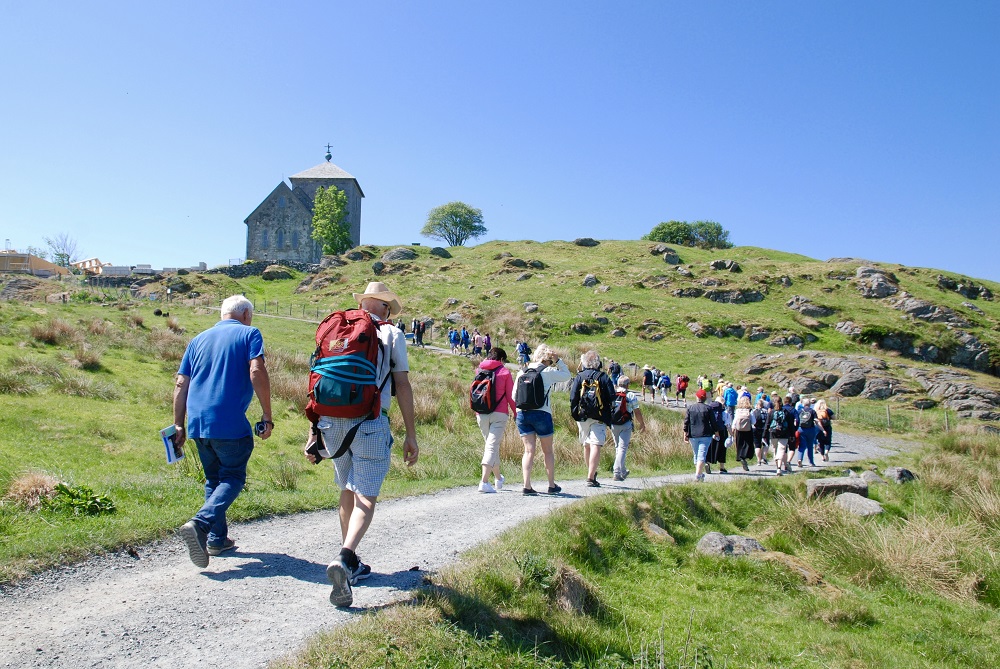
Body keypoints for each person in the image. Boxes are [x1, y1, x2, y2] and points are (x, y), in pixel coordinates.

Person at [304, 281, 419, 607]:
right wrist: (411, 435)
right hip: (369, 421)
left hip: (330, 421)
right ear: (384, 308)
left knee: (346, 487)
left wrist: (313, 431)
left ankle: (350, 560)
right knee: (366, 494)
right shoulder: (391, 334)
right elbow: (402, 385)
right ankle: (345, 556)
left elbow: (316, 378)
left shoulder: (336, 329)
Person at [173, 295, 273, 567]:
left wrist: (179, 423)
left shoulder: (198, 340)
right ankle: (201, 524)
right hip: (229, 422)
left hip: (198, 424)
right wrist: (267, 414)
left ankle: (217, 539)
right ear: (245, 315)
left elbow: (181, 384)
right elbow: (257, 370)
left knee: (213, 479)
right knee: (233, 476)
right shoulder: (250, 333)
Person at [515, 344, 570, 495]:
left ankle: (527, 485)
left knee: (528, 451)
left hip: (523, 414)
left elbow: (515, 395)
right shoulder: (548, 371)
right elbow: (567, 375)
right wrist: (557, 360)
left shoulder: (521, 372)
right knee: (547, 451)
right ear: (547, 359)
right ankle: (551, 485)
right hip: (542, 413)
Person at [569, 350, 616, 488]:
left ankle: (591, 472)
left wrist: (575, 414)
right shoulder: (603, 377)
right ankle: (591, 477)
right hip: (599, 415)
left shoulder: (580, 376)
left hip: (583, 415)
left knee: (587, 445)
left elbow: (573, 397)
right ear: (598, 362)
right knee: (596, 444)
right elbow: (612, 397)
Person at [474, 348, 514, 492]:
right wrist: (516, 413)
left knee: (491, 446)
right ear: (502, 359)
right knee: (491, 446)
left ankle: (498, 479)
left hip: (481, 413)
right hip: (499, 414)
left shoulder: (479, 370)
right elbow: (511, 397)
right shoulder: (505, 372)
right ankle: (484, 482)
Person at [610, 376, 645, 481]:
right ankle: (616, 472)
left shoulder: (612, 394)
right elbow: (637, 411)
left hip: (613, 424)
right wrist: (642, 423)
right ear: (628, 384)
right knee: (622, 448)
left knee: (618, 447)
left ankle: (623, 470)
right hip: (625, 424)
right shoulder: (630, 395)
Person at [683, 389, 720, 482]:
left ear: (697, 397)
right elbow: (713, 422)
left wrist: (685, 434)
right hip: (705, 434)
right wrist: (716, 432)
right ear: (705, 398)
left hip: (693, 435)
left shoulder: (690, 408)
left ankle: (699, 473)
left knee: (696, 454)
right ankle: (698, 475)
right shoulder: (708, 408)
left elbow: (686, 422)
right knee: (701, 455)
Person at [770, 395, 797, 475]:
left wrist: (764, 435)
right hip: (784, 433)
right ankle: (779, 468)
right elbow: (791, 425)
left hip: (773, 432)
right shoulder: (786, 412)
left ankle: (778, 466)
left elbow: (767, 424)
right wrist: (792, 435)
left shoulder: (771, 412)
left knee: (775, 450)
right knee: (781, 450)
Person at [705, 390, 728, 473]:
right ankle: (722, 467)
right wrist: (732, 434)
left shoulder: (709, 409)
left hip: (710, 431)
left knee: (709, 448)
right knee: (722, 448)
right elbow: (727, 423)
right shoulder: (724, 412)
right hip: (722, 431)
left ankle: (707, 463)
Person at [795, 397, 822, 468]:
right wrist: (822, 429)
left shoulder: (799, 411)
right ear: (809, 404)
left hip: (801, 429)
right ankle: (811, 462)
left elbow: (796, 421)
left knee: (802, 445)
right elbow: (816, 421)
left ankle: (799, 459)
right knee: (810, 446)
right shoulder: (812, 411)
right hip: (811, 430)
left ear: (803, 404)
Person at [732, 395, 756, 471]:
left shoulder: (738, 411)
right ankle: (744, 457)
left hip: (739, 430)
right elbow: (754, 421)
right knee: (748, 444)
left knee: (740, 444)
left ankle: (740, 456)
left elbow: (735, 421)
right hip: (748, 430)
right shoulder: (750, 411)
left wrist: (733, 428)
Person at [752, 398, 770, 466]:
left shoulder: (754, 411)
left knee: (757, 445)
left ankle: (758, 461)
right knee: (765, 444)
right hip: (764, 429)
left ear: (757, 405)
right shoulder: (766, 412)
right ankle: (764, 458)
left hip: (756, 429)